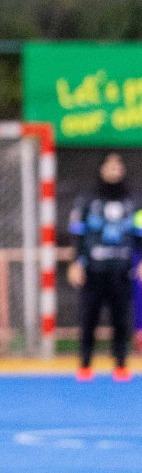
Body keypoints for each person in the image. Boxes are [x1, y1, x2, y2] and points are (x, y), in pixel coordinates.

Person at [68, 152, 142, 381]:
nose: (114, 170)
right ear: (102, 169)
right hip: (94, 270)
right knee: (88, 316)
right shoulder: (87, 201)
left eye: (118, 166)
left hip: (122, 269)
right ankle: (85, 363)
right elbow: (78, 236)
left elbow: (139, 234)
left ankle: (120, 363)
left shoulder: (133, 201)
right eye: (109, 166)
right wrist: (76, 263)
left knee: (121, 318)